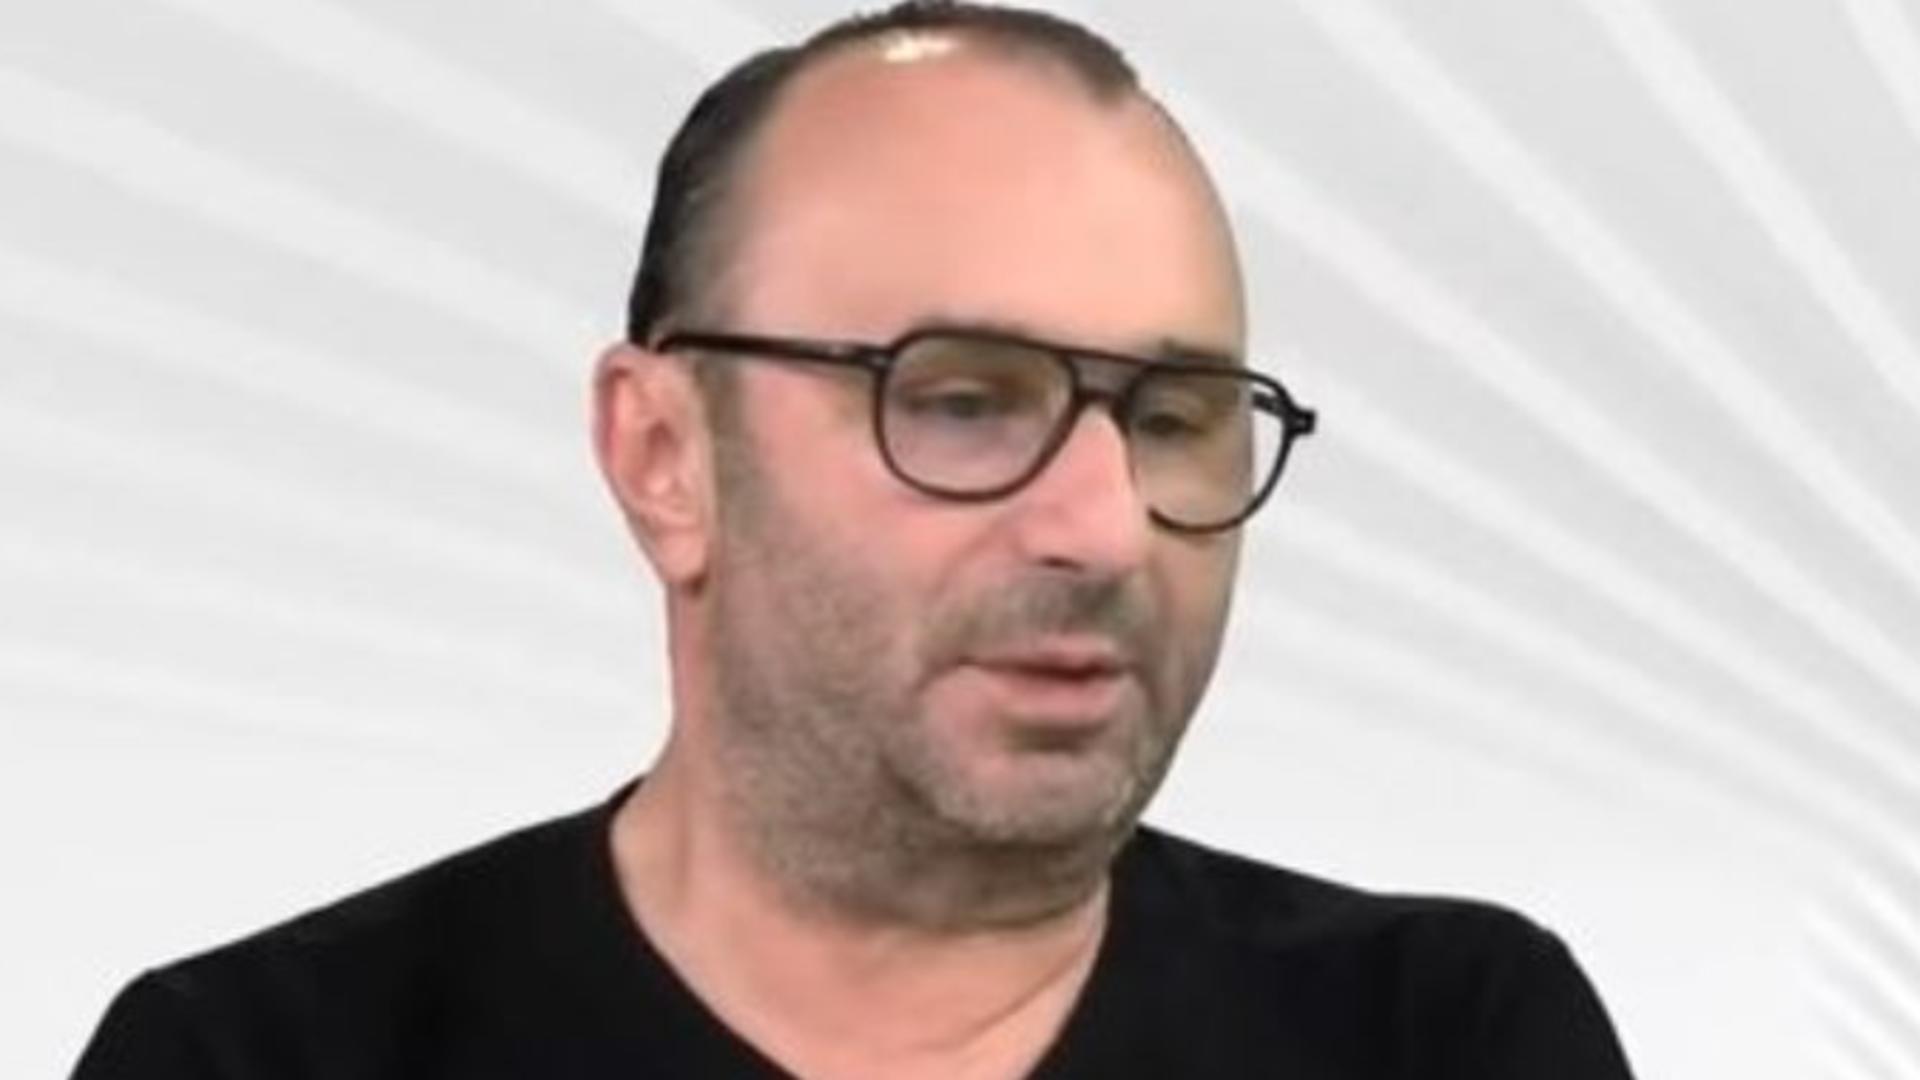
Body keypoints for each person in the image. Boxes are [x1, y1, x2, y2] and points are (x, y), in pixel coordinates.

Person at [72, 3, 1635, 1077]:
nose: (1104, 530)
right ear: (664, 458)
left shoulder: (1444, 1037)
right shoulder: (258, 1056)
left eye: (1173, 419)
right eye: (960, 401)